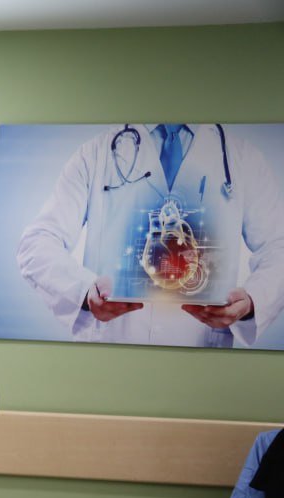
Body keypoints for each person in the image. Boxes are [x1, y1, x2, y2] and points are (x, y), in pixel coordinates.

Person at [16, 123, 284, 348]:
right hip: (110, 352)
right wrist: (83, 291)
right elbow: (37, 243)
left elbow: (278, 248)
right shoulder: (96, 154)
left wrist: (252, 301)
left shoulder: (242, 158)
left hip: (201, 359)